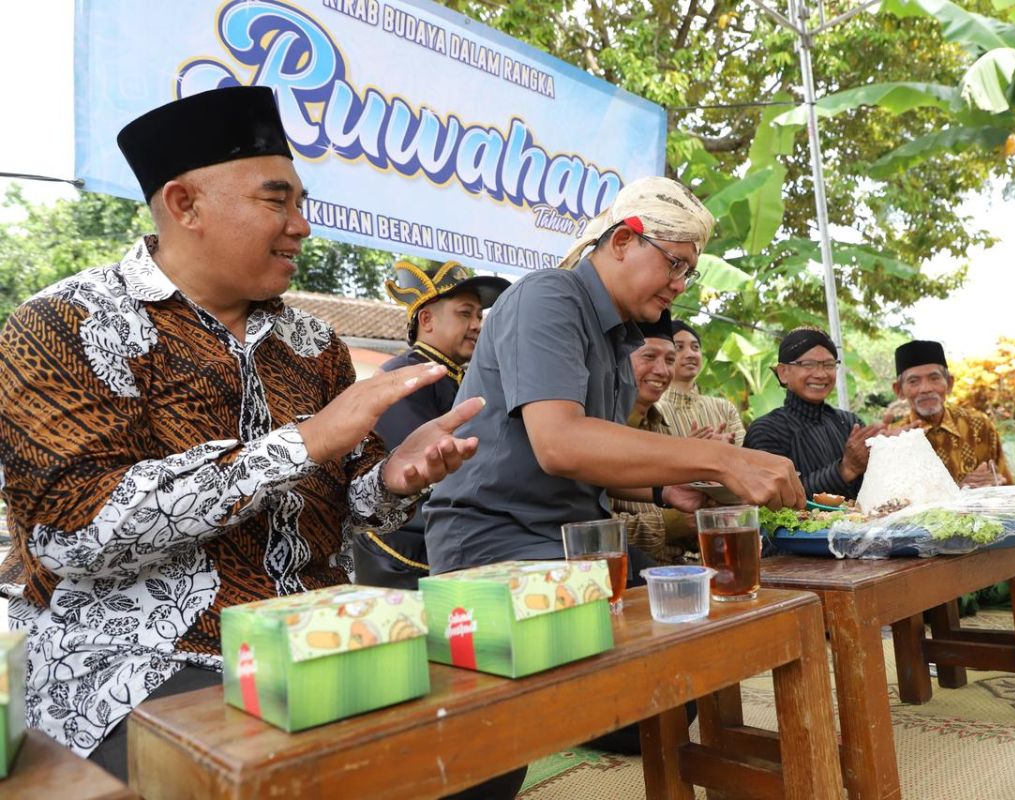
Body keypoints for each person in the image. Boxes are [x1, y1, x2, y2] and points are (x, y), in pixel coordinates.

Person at [0, 86, 521, 799]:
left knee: (490, 739)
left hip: (320, 638)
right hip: (141, 662)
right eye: (278, 202)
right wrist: (301, 443)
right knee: (302, 779)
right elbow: (71, 529)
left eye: (301, 204)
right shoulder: (63, 325)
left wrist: (393, 478)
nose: (302, 226)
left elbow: (344, 497)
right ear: (184, 205)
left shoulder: (315, 345)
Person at [424, 176, 804, 576]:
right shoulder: (549, 295)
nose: (679, 285)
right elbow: (560, 444)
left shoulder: (619, 337)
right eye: (674, 263)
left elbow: (592, 458)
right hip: (498, 543)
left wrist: (665, 488)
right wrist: (722, 460)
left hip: (577, 541)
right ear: (622, 241)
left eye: (688, 273)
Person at [355, 261, 509, 589]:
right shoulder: (406, 376)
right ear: (427, 319)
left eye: (479, 316)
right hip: (403, 553)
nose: (477, 325)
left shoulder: (452, 376)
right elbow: (424, 467)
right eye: (465, 314)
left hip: (442, 543)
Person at [745, 327, 882, 500]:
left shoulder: (849, 423)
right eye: (808, 364)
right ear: (783, 372)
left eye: (829, 365)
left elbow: (876, 482)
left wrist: (893, 445)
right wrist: (845, 470)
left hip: (860, 526)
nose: (820, 374)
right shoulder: (766, 430)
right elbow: (777, 495)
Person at [611, 311, 699, 565]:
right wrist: (673, 524)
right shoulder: (599, 431)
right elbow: (593, 529)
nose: (662, 370)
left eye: (670, 360)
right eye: (649, 356)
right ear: (619, 361)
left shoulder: (666, 430)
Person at [890, 340, 1014, 487]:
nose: (925, 388)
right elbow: (893, 503)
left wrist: (994, 483)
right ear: (899, 390)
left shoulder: (979, 425)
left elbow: (1005, 486)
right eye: (913, 381)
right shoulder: (893, 440)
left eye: (934, 378)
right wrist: (961, 490)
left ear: (949, 383)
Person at [661, 320, 745, 445]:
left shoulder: (724, 408)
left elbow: (746, 454)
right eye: (679, 347)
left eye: (695, 347)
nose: (690, 354)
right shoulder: (652, 411)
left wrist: (727, 449)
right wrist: (688, 450)